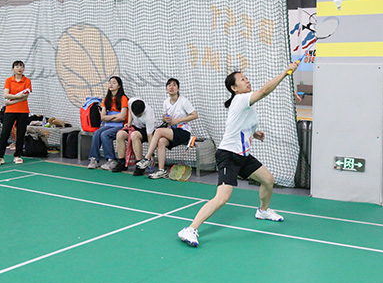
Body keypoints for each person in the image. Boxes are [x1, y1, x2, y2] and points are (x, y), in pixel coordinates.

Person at [178, 62, 299, 247]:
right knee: (222, 198)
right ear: (234, 88)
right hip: (228, 155)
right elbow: (265, 91)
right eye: (242, 80)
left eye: (246, 78)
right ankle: (190, 229)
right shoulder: (241, 99)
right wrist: (286, 72)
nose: (247, 81)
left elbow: (239, 124)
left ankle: (263, 211)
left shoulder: (245, 104)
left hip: (242, 155)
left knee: (268, 180)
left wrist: (254, 133)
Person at [137, 78, 198, 179]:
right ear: (166, 89)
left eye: (174, 85)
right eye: (169, 85)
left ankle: (147, 158)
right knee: (161, 141)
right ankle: (161, 170)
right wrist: (164, 118)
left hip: (183, 132)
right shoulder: (166, 102)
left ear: (178, 88)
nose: (171, 87)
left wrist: (178, 120)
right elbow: (164, 116)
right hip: (171, 131)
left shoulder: (184, 101)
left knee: (158, 131)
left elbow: (195, 115)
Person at [0, 60, 32, 166]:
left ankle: (17, 155)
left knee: (20, 134)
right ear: (13, 69)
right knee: (5, 133)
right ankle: (0, 157)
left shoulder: (27, 81)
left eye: (22, 66)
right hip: (10, 111)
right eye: (17, 66)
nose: (19, 68)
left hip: (23, 111)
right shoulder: (9, 80)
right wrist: (17, 97)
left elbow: (25, 97)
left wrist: (11, 101)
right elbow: (6, 95)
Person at [87, 76, 128, 171]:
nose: (111, 85)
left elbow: (122, 117)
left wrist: (109, 117)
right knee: (97, 133)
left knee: (105, 134)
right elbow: (102, 117)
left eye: (114, 83)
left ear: (119, 86)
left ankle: (111, 160)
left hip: (121, 126)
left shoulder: (123, 98)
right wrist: (115, 116)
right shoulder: (106, 99)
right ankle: (94, 159)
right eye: (110, 82)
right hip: (108, 125)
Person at [112, 98, 155, 173]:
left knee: (134, 135)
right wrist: (129, 122)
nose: (137, 117)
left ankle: (140, 165)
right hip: (135, 126)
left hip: (146, 129)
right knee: (120, 134)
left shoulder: (149, 116)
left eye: (139, 115)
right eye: (135, 115)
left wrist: (151, 154)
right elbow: (130, 111)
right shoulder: (131, 101)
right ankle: (121, 162)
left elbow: (150, 136)